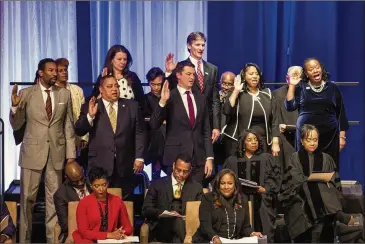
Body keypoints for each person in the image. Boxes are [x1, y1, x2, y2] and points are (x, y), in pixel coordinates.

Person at [10, 58, 76, 243]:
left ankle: (53, 241)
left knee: (54, 202)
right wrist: (15, 107)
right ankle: (23, 240)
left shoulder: (64, 94)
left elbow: (68, 126)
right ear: (41, 73)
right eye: (51, 70)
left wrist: (71, 156)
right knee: (27, 202)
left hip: (56, 154)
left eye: (56, 70)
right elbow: (16, 125)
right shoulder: (26, 94)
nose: (55, 73)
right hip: (32, 154)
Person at [278, 124, 357, 243]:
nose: (312, 143)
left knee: (319, 185)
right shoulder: (294, 158)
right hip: (300, 198)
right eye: (308, 140)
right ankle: (337, 215)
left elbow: (335, 182)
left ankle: (328, 218)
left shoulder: (326, 158)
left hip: (325, 199)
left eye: (315, 140)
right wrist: (309, 182)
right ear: (301, 140)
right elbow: (292, 181)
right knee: (309, 185)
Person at [75, 75, 146, 200]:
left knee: (123, 202)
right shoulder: (90, 105)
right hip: (99, 164)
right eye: (109, 86)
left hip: (124, 163)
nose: (114, 89)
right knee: (99, 203)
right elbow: (79, 130)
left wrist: (139, 156)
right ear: (101, 90)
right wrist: (90, 117)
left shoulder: (131, 106)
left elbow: (139, 132)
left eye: (116, 86)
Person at [150, 60, 214, 185]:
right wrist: (162, 102)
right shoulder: (169, 96)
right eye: (188, 74)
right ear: (178, 75)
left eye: (193, 74)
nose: (192, 77)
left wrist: (209, 157)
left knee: (195, 200)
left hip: (198, 160)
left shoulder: (200, 98)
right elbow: (154, 124)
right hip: (175, 158)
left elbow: (206, 129)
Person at [285, 59, 349, 170]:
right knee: (305, 167)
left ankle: (329, 188)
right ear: (306, 73)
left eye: (317, 67)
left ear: (321, 69)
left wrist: (342, 136)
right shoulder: (301, 88)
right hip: (306, 137)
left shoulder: (333, 88)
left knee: (329, 167)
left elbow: (341, 113)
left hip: (329, 137)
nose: (315, 70)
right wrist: (292, 85)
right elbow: (290, 107)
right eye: (311, 69)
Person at [223, 129, 280, 243]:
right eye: (249, 140)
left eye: (256, 140)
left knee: (264, 232)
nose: (254, 142)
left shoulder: (266, 158)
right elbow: (223, 181)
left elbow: (275, 178)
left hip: (262, 202)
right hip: (239, 201)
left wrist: (265, 189)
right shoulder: (232, 161)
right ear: (243, 143)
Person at [165, 32, 221, 144]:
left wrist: (216, 126)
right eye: (197, 45)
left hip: (206, 124)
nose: (201, 48)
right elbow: (169, 91)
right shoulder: (180, 66)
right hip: (185, 122)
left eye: (203, 45)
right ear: (189, 46)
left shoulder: (212, 69)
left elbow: (215, 100)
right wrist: (169, 72)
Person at [222, 63, 280, 157]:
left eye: (257, 74)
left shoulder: (267, 93)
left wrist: (275, 141)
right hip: (239, 142)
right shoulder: (237, 92)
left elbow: (274, 120)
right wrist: (236, 91)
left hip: (263, 143)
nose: (254, 76)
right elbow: (227, 111)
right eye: (251, 74)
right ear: (244, 76)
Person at [142, 154, 203, 242]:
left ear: (190, 171)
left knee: (177, 237)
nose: (181, 174)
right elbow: (145, 209)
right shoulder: (157, 184)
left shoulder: (196, 188)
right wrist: (164, 213)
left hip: (186, 227)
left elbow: (200, 212)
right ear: (174, 166)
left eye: (185, 172)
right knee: (176, 221)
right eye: (178, 170)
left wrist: (187, 217)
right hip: (162, 227)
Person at [192, 169, 263, 243]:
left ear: (235, 185)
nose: (226, 187)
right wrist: (214, 237)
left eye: (230, 183)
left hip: (233, 241)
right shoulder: (208, 198)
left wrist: (252, 233)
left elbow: (245, 227)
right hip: (209, 240)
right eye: (222, 183)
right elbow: (205, 225)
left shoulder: (242, 200)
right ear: (218, 184)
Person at [72, 167, 133, 243]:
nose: (101, 189)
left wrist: (121, 232)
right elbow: (84, 232)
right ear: (91, 186)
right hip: (89, 240)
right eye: (96, 186)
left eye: (104, 185)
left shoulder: (117, 201)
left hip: (110, 241)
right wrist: (109, 235)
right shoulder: (83, 203)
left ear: (108, 183)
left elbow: (128, 227)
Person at [55, 58, 88, 170]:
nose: (64, 72)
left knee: (74, 171)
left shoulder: (77, 90)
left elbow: (83, 114)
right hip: (56, 137)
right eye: (61, 70)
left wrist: (84, 137)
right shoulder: (51, 90)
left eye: (66, 70)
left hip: (75, 136)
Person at [91, 44, 145, 109]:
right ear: (111, 60)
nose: (123, 62)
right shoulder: (103, 76)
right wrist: (103, 81)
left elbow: (141, 101)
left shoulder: (132, 77)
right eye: (119, 59)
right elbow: (95, 101)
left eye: (125, 59)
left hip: (130, 116)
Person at [54, 161, 91, 243]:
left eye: (81, 178)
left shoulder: (93, 183)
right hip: (75, 232)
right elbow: (65, 225)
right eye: (76, 181)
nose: (81, 183)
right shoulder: (60, 195)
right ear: (66, 178)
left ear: (83, 171)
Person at [143, 67, 166, 179]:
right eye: (153, 84)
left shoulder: (169, 98)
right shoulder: (145, 99)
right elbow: (146, 120)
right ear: (149, 83)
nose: (156, 87)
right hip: (152, 137)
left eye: (159, 84)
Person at [272, 83, 299, 170]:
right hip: (283, 136)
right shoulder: (277, 94)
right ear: (287, 78)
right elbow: (274, 118)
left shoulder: (308, 92)